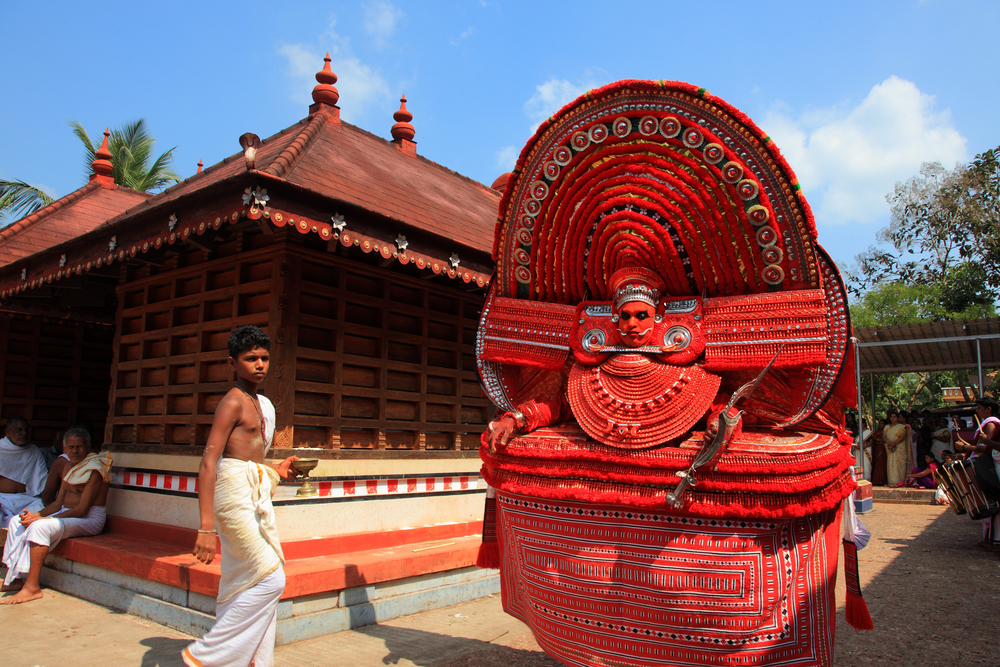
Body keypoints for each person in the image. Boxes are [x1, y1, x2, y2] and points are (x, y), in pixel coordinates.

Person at [182, 326, 298, 667]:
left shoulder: (260, 403)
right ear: (233, 363)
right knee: (271, 577)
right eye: (250, 359)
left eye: (263, 358)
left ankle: (253, 663)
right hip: (232, 493)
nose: (259, 364)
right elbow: (209, 461)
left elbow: (251, 458)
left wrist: (275, 468)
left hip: (253, 488)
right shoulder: (233, 401)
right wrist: (206, 528)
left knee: (243, 581)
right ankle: (205, 655)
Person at [1, 427, 111, 604]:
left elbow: (82, 509)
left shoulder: (95, 469)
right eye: (71, 447)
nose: (75, 451)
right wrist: (35, 515)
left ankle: (32, 587)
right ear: (64, 448)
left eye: (79, 447)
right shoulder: (68, 466)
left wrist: (43, 520)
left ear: (88, 447)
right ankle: (14, 579)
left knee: (39, 527)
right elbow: (58, 502)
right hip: (66, 513)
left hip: (89, 518)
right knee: (17, 521)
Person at [0, 417, 47, 523]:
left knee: (40, 510)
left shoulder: (33, 450)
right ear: (8, 432)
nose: (24, 433)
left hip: (26, 499)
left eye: (26, 430)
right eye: (19, 430)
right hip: (2, 498)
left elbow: (42, 479)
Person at [884, 411, 910, 486]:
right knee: (891, 464)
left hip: (899, 447)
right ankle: (892, 482)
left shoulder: (902, 427)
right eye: (891, 416)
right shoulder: (887, 427)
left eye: (894, 417)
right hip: (889, 447)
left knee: (900, 464)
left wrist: (894, 444)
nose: (892, 418)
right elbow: (883, 437)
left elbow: (902, 437)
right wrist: (889, 443)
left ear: (897, 418)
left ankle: (900, 482)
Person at [870, 418, 888, 486]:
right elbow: (873, 440)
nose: (880, 425)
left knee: (882, 464)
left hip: (883, 450)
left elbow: (885, 440)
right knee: (877, 464)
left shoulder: (886, 432)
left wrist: (878, 440)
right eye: (880, 423)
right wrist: (879, 440)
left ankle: (883, 480)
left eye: (882, 424)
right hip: (877, 449)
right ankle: (876, 480)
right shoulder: (876, 432)